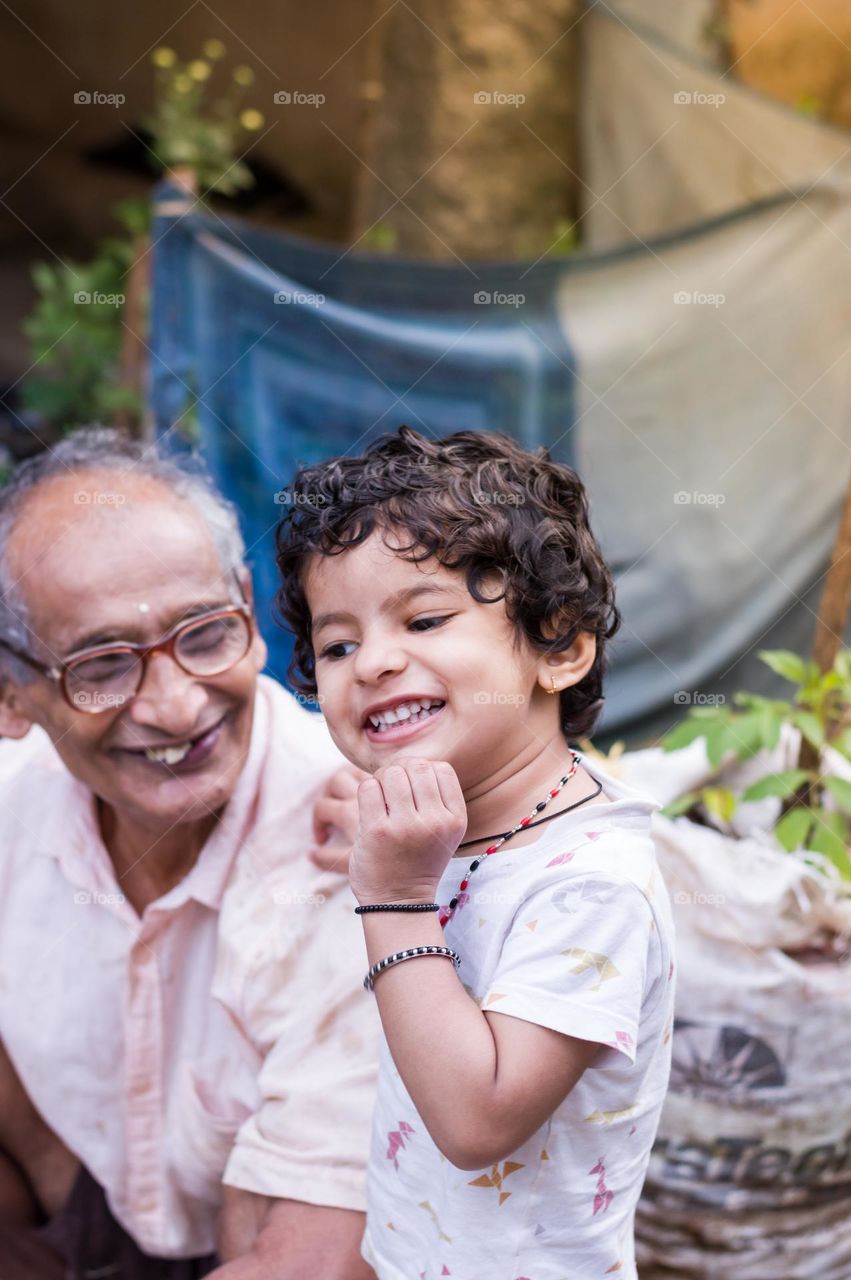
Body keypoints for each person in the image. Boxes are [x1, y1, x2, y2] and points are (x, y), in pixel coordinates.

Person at [273, 424, 676, 1279]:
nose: (373, 662)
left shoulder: (592, 883)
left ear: (558, 647)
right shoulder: (461, 816)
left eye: (424, 619)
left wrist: (391, 896)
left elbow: (477, 1122)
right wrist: (372, 820)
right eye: (336, 644)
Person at [0, 428, 378, 1280]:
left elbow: (316, 1256)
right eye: (102, 664)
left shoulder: (359, 851)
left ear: (247, 606)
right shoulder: (12, 802)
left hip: (272, 1238)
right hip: (84, 1204)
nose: (175, 709)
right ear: (11, 694)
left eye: (205, 634)